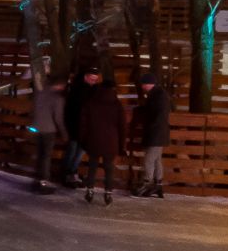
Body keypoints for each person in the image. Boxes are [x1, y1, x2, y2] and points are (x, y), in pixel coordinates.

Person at [77, 75, 128, 205]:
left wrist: (82, 140)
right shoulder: (117, 105)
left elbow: (83, 124)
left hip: (93, 140)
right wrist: (122, 146)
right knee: (109, 167)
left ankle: (90, 190)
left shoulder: (91, 102)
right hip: (111, 142)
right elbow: (122, 127)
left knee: (92, 166)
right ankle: (108, 193)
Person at [132, 74, 171, 198]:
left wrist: (148, 122)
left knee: (149, 159)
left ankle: (146, 183)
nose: (142, 86)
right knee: (156, 160)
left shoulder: (158, 95)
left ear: (149, 83)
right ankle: (158, 184)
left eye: (143, 84)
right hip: (159, 132)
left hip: (156, 132)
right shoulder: (158, 94)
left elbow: (157, 114)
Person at [60, 67, 98, 187]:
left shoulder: (90, 91)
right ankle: (68, 174)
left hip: (81, 128)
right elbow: (72, 110)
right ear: (85, 77)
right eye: (92, 79)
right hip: (76, 127)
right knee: (74, 151)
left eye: (95, 80)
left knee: (78, 152)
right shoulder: (77, 90)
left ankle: (71, 173)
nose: (93, 82)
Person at [30, 75, 67, 193]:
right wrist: (64, 133)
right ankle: (44, 181)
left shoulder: (39, 94)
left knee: (39, 154)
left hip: (37, 128)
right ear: (59, 85)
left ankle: (37, 179)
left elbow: (34, 110)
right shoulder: (57, 99)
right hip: (48, 130)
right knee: (46, 156)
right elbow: (58, 118)